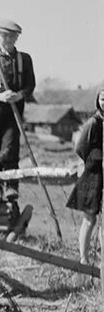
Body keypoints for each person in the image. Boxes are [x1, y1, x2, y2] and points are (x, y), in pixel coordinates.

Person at [0, 20, 36, 205]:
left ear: (17, 37)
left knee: (11, 146)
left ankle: (11, 186)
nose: (9, 39)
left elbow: (30, 85)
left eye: (13, 36)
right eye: (5, 35)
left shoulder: (24, 59)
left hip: (14, 111)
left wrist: (19, 95)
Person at [66, 86, 103, 264]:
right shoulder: (93, 123)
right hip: (94, 175)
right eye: (103, 98)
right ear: (98, 101)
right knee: (89, 218)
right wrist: (94, 160)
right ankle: (84, 259)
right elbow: (80, 147)